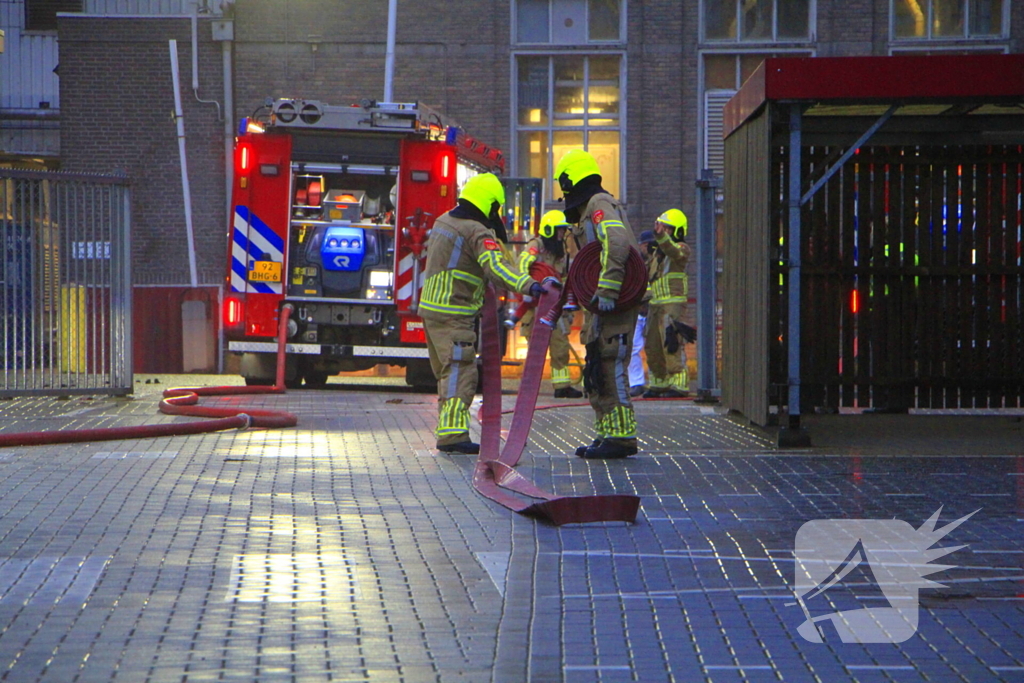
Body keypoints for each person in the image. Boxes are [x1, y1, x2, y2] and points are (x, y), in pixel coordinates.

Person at [420, 173, 547, 454]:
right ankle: (452, 435)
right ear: (489, 204)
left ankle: (449, 429)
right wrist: (530, 285)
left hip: (432, 309)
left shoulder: (444, 221)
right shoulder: (477, 232)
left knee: (445, 372)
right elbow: (496, 268)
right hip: (455, 311)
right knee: (460, 373)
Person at [554, 149, 641, 459]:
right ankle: (606, 433)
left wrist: (607, 288)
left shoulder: (599, 204)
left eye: (563, 183)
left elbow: (616, 243)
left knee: (610, 361)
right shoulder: (591, 206)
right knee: (596, 365)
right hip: (601, 306)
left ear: (571, 178)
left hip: (612, 303)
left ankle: (621, 437)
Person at [518, 210, 583, 399]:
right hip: (536, 306)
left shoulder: (560, 252)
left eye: (563, 230)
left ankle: (561, 386)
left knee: (560, 347)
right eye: (559, 230)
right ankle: (529, 389)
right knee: (535, 351)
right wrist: (529, 288)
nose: (562, 234)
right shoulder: (535, 246)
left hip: (556, 307)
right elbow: (522, 266)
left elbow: (563, 277)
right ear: (549, 230)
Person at [644, 209, 693, 398]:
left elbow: (672, 250)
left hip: (672, 304)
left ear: (678, 231)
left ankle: (678, 383)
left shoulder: (682, 249)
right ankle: (659, 382)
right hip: (656, 304)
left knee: (670, 343)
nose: (664, 231)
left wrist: (660, 236)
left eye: (668, 229)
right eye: (662, 228)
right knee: (652, 344)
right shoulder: (657, 254)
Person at [628, 230, 656, 397]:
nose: (647, 248)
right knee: (633, 348)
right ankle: (636, 383)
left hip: (653, 309)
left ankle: (656, 382)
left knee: (655, 348)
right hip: (639, 311)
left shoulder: (657, 261)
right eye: (646, 245)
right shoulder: (636, 263)